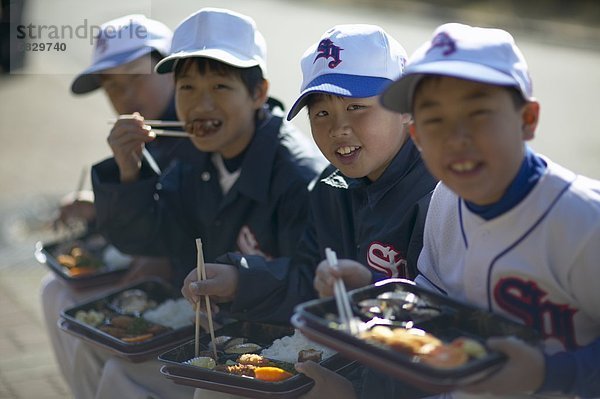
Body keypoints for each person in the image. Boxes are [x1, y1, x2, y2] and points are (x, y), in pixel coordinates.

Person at [181, 23, 437, 398]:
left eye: (356, 107)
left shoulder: (437, 195)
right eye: (321, 114)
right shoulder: (330, 188)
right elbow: (308, 282)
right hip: (347, 361)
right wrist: (241, 279)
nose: (339, 128)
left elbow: (445, 326)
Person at [89, 8, 325, 399]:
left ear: (258, 93)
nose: (201, 105)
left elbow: (313, 283)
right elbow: (152, 238)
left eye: (219, 87)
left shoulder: (298, 175)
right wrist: (129, 174)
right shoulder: (195, 159)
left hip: (284, 356)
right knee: (114, 367)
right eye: (187, 88)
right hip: (220, 334)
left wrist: (241, 281)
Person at [378, 22, 600, 398]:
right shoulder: (445, 199)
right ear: (416, 137)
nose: (456, 138)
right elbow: (434, 305)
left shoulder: (585, 220)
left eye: (478, 113)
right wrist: (373, 302)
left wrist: (551, 373)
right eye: (434, 120)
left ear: (527, 120)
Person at [39, 14, 201, 399]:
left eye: (134, 79)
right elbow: (157, 203)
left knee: (100, 351)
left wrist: (168, 257)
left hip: (196, 288)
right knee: (55, 294)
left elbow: (193, 216)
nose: (123, 96)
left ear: (171, 69)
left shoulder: (201, 131)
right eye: (111, 86)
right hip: (157, 268)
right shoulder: (151, 131)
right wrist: (98, 207)